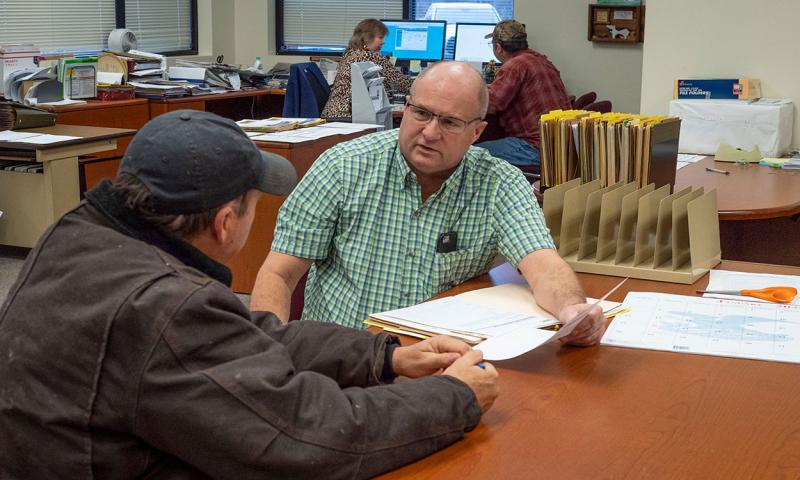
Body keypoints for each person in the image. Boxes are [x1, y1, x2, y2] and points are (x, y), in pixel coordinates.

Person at [0, 110, 499, 479]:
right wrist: (453, 397)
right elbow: (305, 436)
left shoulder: (78, 236)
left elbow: (240, 336)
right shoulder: (164, 306)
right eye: (255, 203)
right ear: (225, 223)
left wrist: (388, 358)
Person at [253, 62, 605, 345]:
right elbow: (279, 274)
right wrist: (270, 357)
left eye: (450, 122)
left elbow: (542, 262)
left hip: (439, 362)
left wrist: (573, 310)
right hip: (341, 358)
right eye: (421, 114)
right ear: (405, 109)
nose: (430, 132)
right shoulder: (343, 167)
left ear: (477, 132)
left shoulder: (499, 183)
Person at [475, 20, 572, 167]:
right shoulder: (541, 60)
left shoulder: (514, 66)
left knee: (468, 154)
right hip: (560, 146)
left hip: (535, 148)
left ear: (498, 47)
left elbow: (491, 104)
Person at [321, 18, 413, 119]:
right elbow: (402, 83)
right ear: (367, 38)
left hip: (333, 114)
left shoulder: (349, 53)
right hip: (348, 116)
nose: (383, 42)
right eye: (381, 37)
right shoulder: (371, 56)